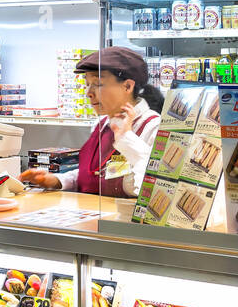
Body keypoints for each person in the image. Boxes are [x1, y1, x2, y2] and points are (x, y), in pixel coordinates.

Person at [20, 46, 163, 197]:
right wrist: (56, 180)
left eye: (98, 84)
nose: (89, 93)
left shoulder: (153, 127)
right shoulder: (101, 125)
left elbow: (152, 187)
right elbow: (95, 174)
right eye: (87, 84)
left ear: (127, 86)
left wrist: (128, 139)